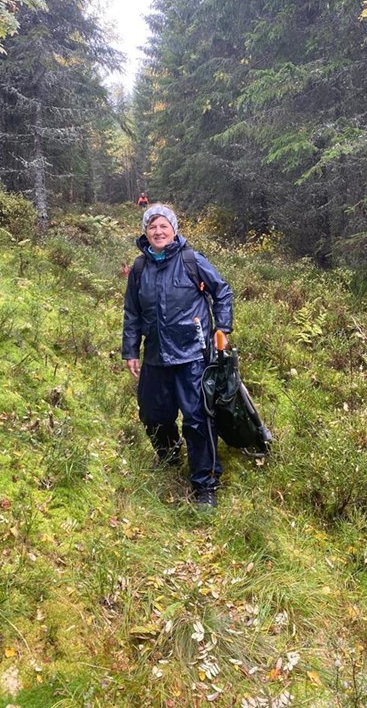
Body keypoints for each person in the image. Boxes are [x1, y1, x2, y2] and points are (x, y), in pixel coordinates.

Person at [122, 204, 233, 509]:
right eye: (152, 227)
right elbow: (132, 311)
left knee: (198, 419)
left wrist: (221, 327)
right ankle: (169, 455)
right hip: (156, 355)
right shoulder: (140, 268)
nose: (158, 232)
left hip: (193, 355)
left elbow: (221, 291)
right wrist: (131, 350)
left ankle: (205, 484)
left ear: (173, 229)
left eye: (163, 226)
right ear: (146, 232)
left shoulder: (191, 260)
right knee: (153, 415)